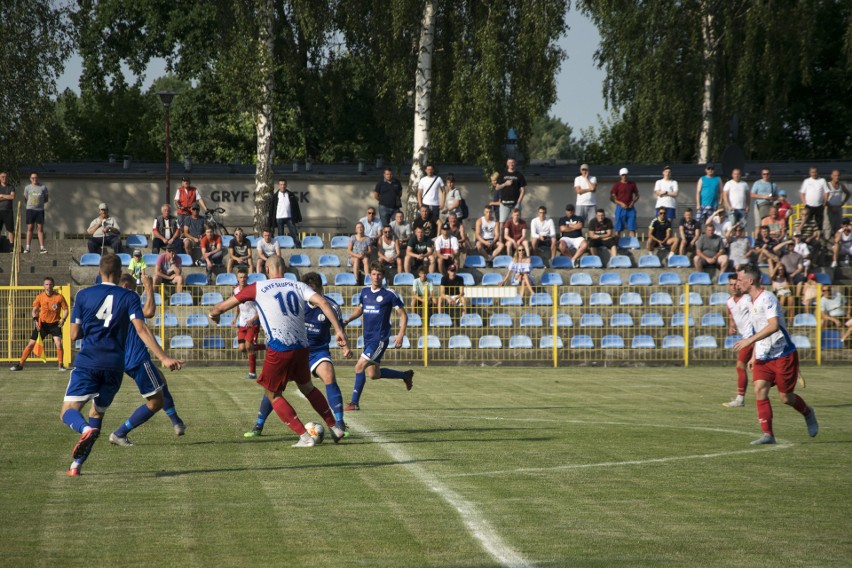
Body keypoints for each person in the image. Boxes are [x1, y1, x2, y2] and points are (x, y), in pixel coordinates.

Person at [61, 254, 182, 476]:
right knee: (96, 413)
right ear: (118, 274)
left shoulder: (83, 295)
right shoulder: (128, 297)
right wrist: (164, 358)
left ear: (99, 271)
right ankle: (75, 466)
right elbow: (141, 329)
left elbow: (74, 334)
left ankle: (84, 430)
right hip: (115, 366)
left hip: (89, 361)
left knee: (68, 412)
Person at [209, 256, 348, 447]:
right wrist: (339, 330)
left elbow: (220, 308)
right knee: (307, 387)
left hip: (279, 348)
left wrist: (213, 315)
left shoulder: (258, 287)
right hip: (302, 348)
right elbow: (323, 303)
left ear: (267, 268)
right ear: (284, 268)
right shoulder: (298, 285)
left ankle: (304, 436)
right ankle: (336, 427)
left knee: (272, 394)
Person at [244, 271, 353, 438]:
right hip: (296, 349)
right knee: (274, 389)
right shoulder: (298, 301)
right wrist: (255, 318)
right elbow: (273, 307)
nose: (311, 295)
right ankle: (258, 425)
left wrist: (345, 346)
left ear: (320, 290)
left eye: (314, 291)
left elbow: (339, 328)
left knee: (329, 376)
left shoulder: (331, 307)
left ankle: (339, 422)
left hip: (317, 351)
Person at [733, 264, 818, 445]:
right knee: (759, 389)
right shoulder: (749, 301)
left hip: (783, 353)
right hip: (764, 355)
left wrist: (749, 341)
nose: (736, 283)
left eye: (740, 280)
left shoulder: (768, 298)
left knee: (786, 397)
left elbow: (773, 326)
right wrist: (755, 354)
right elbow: (759, 327)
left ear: (750, 280)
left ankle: (808, 413)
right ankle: (768, 435)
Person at [108, 274, 186, 446]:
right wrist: (149, 287)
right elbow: (149, 312)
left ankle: (177, 422)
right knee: (156, 402)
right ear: (127, 285)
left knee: (161, 381)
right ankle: (120, 433)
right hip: (137, 358)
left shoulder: (113, 302)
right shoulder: (129, 297)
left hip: (124, 358)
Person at [343, 261, 414, 411]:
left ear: (383, 276)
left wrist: (400, 335)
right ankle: (405, 375)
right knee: (374, 374)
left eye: (379, 274)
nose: (376, 277)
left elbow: (404, 316)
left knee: (359, 366)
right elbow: (360, 309)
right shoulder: (364, 292)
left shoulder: (389, 294)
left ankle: (354, 403)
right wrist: (348, 319)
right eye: (374, 274)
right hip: (367, 338)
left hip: (380, 339)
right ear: (370, 275)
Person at [9, 276, 69, 372]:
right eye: (46, 284)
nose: (48, 286)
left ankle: (60, 365)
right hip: (42, 325)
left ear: (53, 285)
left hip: (55, 324)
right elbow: (34, 310)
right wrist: (36, 320)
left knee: (58, 342)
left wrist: (63, 319)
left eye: (50, 284)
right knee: (31, 343)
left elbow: (66, 309)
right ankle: (20, 364)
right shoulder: (40, 297)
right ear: (43, 286)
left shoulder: (59, 297)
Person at [722, 274, 755, 408]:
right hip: (746, 339)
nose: (734, 287)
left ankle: (740, 399)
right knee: (760, 369)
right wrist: (731, 325)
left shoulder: (747, 299)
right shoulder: (730, 301)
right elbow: (731, 313)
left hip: (753, 338)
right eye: (731, 284)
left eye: (736, 284)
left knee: (741, 366)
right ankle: (790, 371)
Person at [231, 268, 266, 379]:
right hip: (242, 322)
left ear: (247, 278)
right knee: (242, 348)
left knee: (248, 345)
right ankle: (266, 346)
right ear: (237, 278)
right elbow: (237, 305)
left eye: (245, 277)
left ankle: (252, 373)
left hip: (253, 322)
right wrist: (235, 318)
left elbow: (261, 309)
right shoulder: (236, 290)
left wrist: (253, 319)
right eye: (240, 277)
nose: (243, 279)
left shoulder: (253, 290)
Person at [494, 158, 527, 223]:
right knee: (502, 222)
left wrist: (518, 202)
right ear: (507, 164)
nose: (511, 164)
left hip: (515, 204)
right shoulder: (503, 174)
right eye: (509, 162)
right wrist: (505, 184)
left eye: (512, 162)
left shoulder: (519, 175)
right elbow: (497, 188)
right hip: (504, 203)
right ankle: (502, 233)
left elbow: (523, 190)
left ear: (515, 163)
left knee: (517, 222)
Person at [23, 172, 48, 254]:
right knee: (30, 228)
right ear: (30, 179)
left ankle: (42, 248)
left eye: (36, 177)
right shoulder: (27, 188)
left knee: (40, 228)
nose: (34, 179)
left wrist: (38, 204)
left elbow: (46, 199)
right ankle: (27, 248)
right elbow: (25, 199)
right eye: (33, 178)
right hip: (30, 210)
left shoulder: (43, 187)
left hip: (40, 210)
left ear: (38, 178)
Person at [610, 167, 640, 237]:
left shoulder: (632, 184)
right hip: (620, 208)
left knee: (632, 227)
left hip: (630, 208)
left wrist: (633, 202)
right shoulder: (617, 185)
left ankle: (632, 244)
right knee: (618, 227)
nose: (624, 176)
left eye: (625, 175)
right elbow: (612, 198)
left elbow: (637, 195)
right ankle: (617, 243)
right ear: (620, 175)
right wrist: (620, 203)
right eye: (623, 175)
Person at [273, 179, 302, 247]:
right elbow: (273, 208)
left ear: (286, 185)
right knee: (280, 235)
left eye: (284, 184)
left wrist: (298, 218)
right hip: (279, 217)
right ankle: (281, 248)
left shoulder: (290, 194)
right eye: (281, 185)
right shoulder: (275, 196)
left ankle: (298, 247)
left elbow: (296, 207)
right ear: (278, 186)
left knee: (294, 233)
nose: (282, 186)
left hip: (289, 217)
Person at [825, 169, 850, 235]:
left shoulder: (841, 185)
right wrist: (829, 206)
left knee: (838, 227)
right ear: (832, 176)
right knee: (828, 227)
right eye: (835, 175)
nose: (837, 177)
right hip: (829, 208)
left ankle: (837, 242)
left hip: (838, 208)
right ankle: (827, 242)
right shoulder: (827, 185)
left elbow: (848, 193)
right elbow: (823, 198)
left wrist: (843, 202)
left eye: (838, 175)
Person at [0, 170, 15, 248]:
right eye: (2, 177)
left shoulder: (11, 187)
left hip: (8, 211)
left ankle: (11, 247)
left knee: (10, 230)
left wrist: (2, 195)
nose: (4, 178)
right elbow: (9, 197)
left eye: (5, 177)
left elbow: (12, 197)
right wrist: (7, 196)